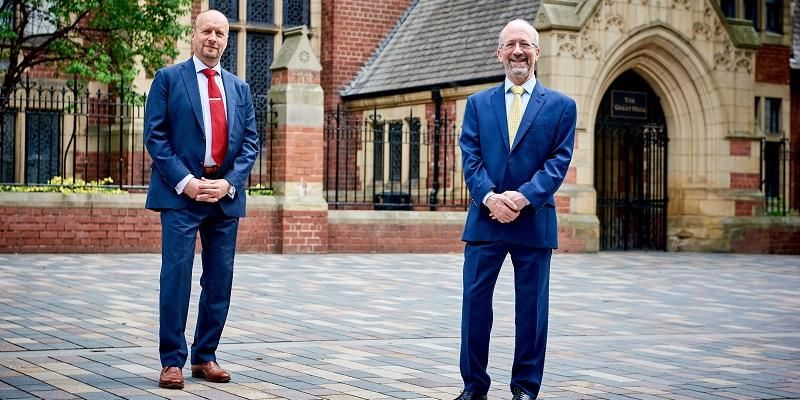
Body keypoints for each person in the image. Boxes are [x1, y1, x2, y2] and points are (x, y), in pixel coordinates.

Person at [455, 19, 576, 400]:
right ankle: (474, 387)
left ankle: (525, 389)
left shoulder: (562, 107)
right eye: (510, 45)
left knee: (531, 312)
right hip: (485, 221)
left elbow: (559, 161)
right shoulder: (477, 104)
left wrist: (521, 198)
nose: (518, 51)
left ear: (537, 52)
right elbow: (470, 157)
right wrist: (491, 198)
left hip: (533, 222)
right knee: (475, 308)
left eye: (525, 44)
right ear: (499, 53)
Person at [144, 9, 258, 390]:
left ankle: (205, 356)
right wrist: (187, 182)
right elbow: (156, 138)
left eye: (221, 33)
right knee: (176, 277)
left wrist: (228, 184)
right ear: (194, 35)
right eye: (207, 31)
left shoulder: (240, 89)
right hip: (182, 197)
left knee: (219, 280)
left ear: (227, 40)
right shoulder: (168, 79)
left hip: (223, 198)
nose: (213, 38)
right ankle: (171, 361)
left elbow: (250, 144)